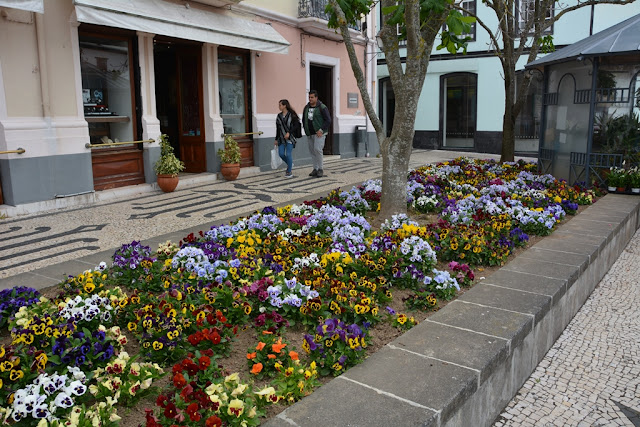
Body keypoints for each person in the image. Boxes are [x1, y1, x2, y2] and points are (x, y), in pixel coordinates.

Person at [302, 90, 331, 178]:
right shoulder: (306, 107)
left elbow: (328, 120)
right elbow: (304, 119)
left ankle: (320, 169)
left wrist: (321, 130)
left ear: (316, 98)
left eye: (312, 97)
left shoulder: (322, 107)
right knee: (312, 151)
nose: (310, 99)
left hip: (319, 133)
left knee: (317, 149)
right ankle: (315, 168)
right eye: (309, 97)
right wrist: (305, 128)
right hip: (309, 133)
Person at [274, 99, 299, 178]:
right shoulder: (279, 116)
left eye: (280, 105)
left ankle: (289, 171)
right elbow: (278, 128)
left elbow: (296, 125)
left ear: (284, 106)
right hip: (281, 138)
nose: (279, 107)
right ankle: (290, 163)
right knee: (281, 154)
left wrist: (289, 132)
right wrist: (276, 139)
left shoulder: (292, 115)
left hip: (290, 138)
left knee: (288, 154)